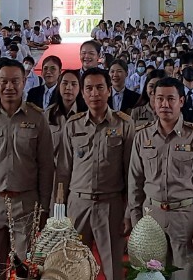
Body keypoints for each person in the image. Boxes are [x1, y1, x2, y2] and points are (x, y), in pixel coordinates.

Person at [0, 60, 55, 274]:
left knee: (25, 269)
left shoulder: (37, 118)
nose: (9, 87)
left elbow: (46, 166)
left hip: (26, 205)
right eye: (4, 81)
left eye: (15, 81)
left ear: (24, 82)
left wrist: (44, 207)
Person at [126, 77, 193, 280]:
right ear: (153, 101)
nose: (165, 104)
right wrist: (137, 222)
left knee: (185, 276)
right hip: (151, 217)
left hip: (185, 219)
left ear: (181, 101)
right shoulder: (142, 136)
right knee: (151, 276)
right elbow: (135, 182)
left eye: (171, 99)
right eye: (160, 98)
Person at [57, 68, 134, 280]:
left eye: (100, 88)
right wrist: (59, 211)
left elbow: (131, 173)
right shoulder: (73, 125)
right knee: (73, 268)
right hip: (77, 204)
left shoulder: (124, 124)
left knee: (113, 269)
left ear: (109, 90)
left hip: (111, 205)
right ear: (82, 93)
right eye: (89, 88)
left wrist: (128, 212)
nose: (94, 94)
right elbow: (63, 171)